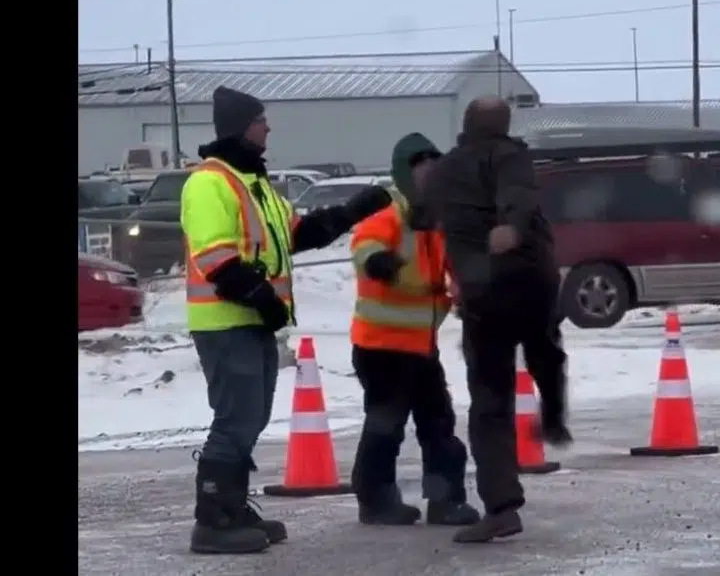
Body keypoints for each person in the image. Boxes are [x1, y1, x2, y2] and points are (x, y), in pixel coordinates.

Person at [181, 86, 394, 554]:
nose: (268, 128)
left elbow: (298, 234)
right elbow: (215, 256)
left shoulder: (254, 184)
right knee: (236, 419)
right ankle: (213, 520)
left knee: (251, 418)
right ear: (242, 127)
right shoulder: (209, 182)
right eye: (261, 120)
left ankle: (232, 507)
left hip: (252, 321)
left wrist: (353, 211)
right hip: (226, 322)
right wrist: (259, 296)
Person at [423, 96, 573, 543]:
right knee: (545, 349)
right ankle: (553, 413)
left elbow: (422, 212)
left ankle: (502, 507)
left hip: (484, 292)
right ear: (504, 125)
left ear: (466, 123)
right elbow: (518, 194)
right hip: (530, 280)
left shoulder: (447, 168)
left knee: (490, 403)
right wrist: (511, 223)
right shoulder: (512, 156)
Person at [348, 133, 480, 527]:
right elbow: (364, 247)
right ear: (406, 175)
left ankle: (445, 501)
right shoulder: (387, 217)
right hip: (382, 347)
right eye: (423, 172)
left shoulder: (437, 222)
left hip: (421, 346)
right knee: (386, 426)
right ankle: (375, 501)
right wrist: (380, 263)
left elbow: (456, 262)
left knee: (438, 424)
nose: (431, 180)